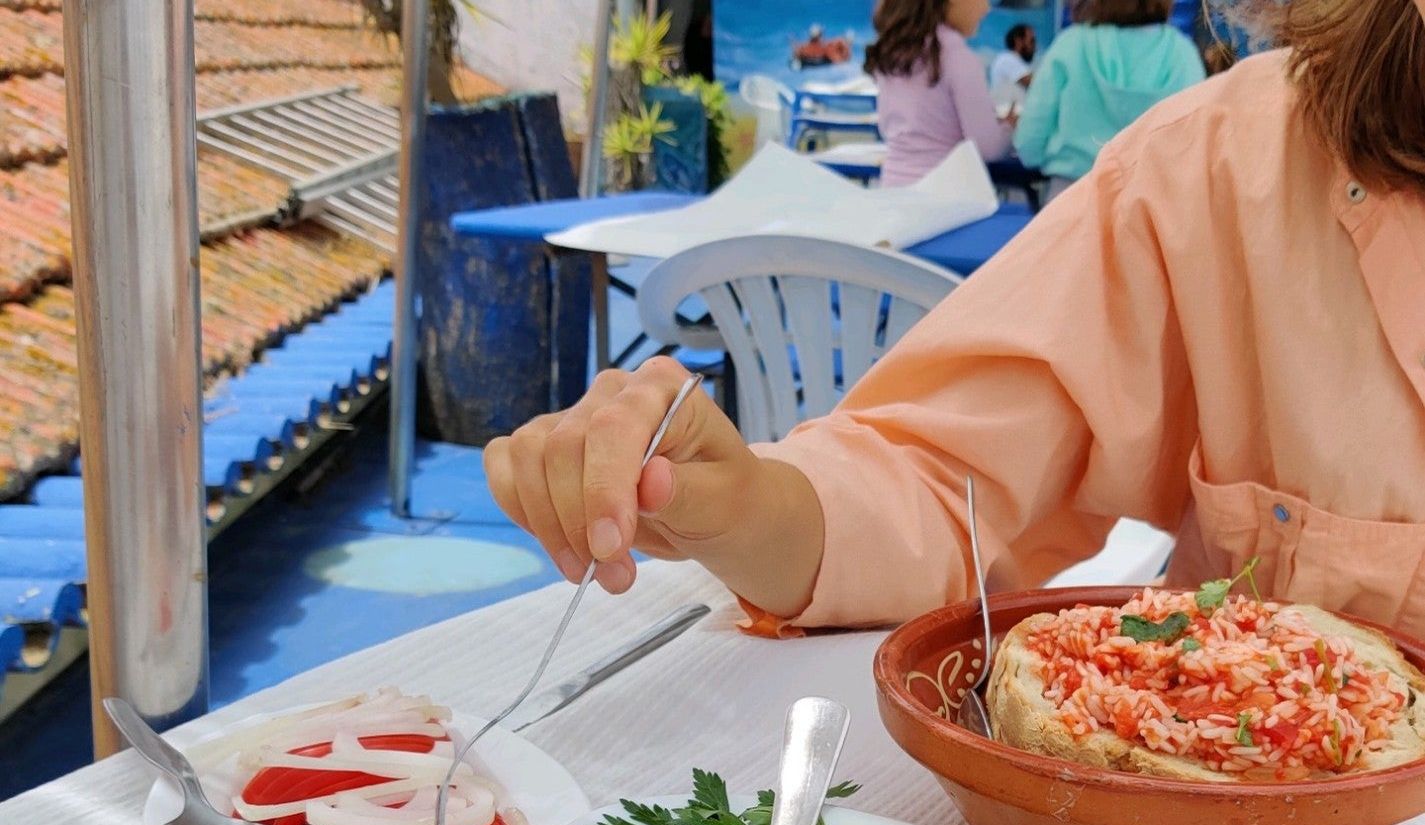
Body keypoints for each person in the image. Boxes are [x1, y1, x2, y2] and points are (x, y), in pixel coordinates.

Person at [485, 0, 1425, 642]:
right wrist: (744, 504)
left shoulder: (956, 57)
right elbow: (944, 476)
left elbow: (1029, 136)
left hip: (931, 221)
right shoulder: (1207, 171)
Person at [1014, 0, 1206, 194]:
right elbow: (1196, 144)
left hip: (1072, 198)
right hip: (1156, 202)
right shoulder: (1183, 54)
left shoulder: (1070, 45)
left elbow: (1029, 142)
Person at [864, 0, 1014, 184]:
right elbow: (988, 147)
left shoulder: (893, 53)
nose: (986, 9)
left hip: (893, 188)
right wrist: (1009, 129)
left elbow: (887, 128)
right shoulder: (958, 58)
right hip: (948, 197)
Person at [990, 23, 1038, 107]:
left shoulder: (1015, 61)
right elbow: (1035, 83)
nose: (1034, 46)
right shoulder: (1008, 59)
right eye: (1032, 41)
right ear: (1018, 41)